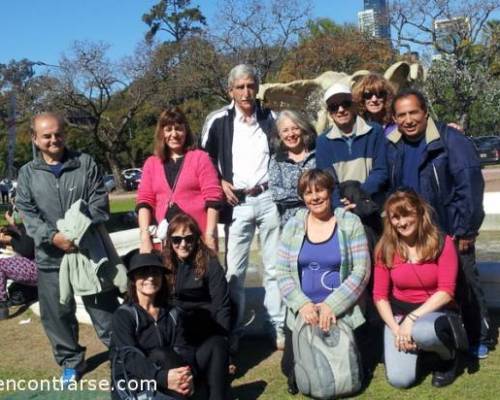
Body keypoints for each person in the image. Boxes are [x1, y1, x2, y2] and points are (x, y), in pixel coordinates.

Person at [16, 112, 120, 385]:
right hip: (50, 258)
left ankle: (123, 358)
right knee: (57, 317)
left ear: (66, 133)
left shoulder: (85, 164)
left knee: (105, 312)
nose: (54, 140)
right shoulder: (27, 174)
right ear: (34, 138)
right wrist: (53, 237)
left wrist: (78, 231)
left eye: (58, 134)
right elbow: (27, 214)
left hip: (88, 254)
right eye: (46, 136)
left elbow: (99, 202)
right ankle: (72, 362)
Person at [386, 88, 491, 359]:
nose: (408, 120)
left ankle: (479, 335)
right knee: (436, 288)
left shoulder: (451, 140)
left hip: (450, 229)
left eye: (413, 113)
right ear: (394, 118)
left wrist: (466, 229)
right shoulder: (394, 144)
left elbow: (469, 184)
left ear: (425, 112)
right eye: (401, 115)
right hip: (415, 233)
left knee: (465, 281)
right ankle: (443, 335)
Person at [201, 64, 285, 349]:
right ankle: (233, 330)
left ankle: (276, 325)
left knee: (273, 268)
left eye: (251, 85)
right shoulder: (218, 121)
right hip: (237, 203)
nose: (246, 92)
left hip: (268, 198)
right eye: (240, 87)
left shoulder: (271, 118)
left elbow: (284, 153)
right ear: (230, 91)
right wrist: (221, 183)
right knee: (234, 272)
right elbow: (204, 161)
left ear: (257, 87)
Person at [276, 169, 370, 392]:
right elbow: (282, 272)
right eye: (308, 193)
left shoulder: (350, 223)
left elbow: (361, 271)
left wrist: (331, 305)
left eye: (320, 190)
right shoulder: (292, 226)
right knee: (289, 367)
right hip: (305, 312)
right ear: (302, 197)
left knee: (348, 366)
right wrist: (303, 305)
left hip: (342, 311)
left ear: (330, 192)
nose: (315, 197)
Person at [373, 190, 461, 388]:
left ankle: (447, 357)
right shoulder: (385, 248)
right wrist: (397, 329)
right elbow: (379, 296)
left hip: (435, 311)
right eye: (396, 217)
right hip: (399, 313)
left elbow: (446, 291)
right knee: (400, 380)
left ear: (420, 212)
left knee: (423, 331)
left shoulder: (442, 242)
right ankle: (422, 354)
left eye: (407, 214)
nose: (401, 222)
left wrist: (411, 320)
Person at [163, 213, 231, 400]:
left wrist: (226, 347)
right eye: (177, 240)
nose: (183, 244)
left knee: (217, 347)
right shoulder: (164, 263)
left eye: (188, 239)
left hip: (204, 327)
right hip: (175, 329)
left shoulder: (210, 263)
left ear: (196, 239)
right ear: (170, 241)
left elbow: (221, 306)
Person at [137, 107, 223, 254]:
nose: (174, 134)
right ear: (161, 133)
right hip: (167, 240)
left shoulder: (200, 158)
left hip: (196, 236)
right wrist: (145, 237)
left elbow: (213, 198)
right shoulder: (151, 163)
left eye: (178, 129)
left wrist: (210, 235)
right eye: (168, 129)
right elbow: (144, 201)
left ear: (186, 131)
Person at [110, 252, 193, 399]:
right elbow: (129, 357)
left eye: (155, 273)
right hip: (134, 382)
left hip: (170, 375)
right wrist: (161, 377)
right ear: (133, 279)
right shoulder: (123, 315)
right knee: (161, 354)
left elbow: (182, 348)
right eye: (143, 273)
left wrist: (186, 375)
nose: (150, 278)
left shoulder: (172, 313)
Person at [315, 82, 387, 209]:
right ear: (329, 113)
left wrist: (358, 195)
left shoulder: (374, 132)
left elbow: (381, 170)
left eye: (345, 104)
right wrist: (340, 207)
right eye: (334, 107)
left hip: (373, 205)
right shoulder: (323, 142)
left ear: (353, 105)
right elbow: (327, 181)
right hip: (343, 208)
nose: (340, 110)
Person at [269, 110, 316, 228]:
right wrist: (306, 195)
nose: (291, 134)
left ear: (303, 129)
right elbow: (275, 193)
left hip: (320, 218)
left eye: (295, 128)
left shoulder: (317, 154)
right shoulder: (277, 160)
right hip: (291, 224)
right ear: (279, 135)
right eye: (285, 130)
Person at [0, 210, 37, 320]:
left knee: (1, 265)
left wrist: (10, 240)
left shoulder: (31, 223)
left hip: (39, 270)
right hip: (42, 267)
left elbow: (26, 249)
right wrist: (10, 227)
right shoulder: (32, 221)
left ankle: (2, 303)